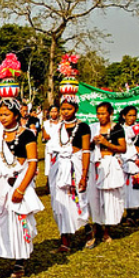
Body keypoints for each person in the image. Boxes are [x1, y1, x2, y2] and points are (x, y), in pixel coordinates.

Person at [0, 96, 42, 278]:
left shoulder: (27, 134)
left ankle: (19, 262)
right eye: (0, 114)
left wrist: (20, 190)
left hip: (18, 183)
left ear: (16, 114)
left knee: (19, 223)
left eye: (6, 114)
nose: (2, 117)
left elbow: (33, 164)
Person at [50, 63, 91, 253]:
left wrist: (84, 175)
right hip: (59, 169)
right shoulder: (56, 127)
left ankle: (88, 231)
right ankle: (64, 241)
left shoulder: (83, 127)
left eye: (68, 109)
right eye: (62, 109)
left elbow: (85, 151)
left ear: (75, 108)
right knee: (60, 205)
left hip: (75, 168)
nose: (65, 112)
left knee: (78, 202)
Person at [87, 102, 126, 246]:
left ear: (110, 113)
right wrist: (92, 142)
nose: (100, 116)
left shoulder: (117, 128)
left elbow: (122, 148)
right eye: (98, 113)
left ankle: (107, 230)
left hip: (109, 163)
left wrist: (106, 142)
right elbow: (86, 147)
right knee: (94, 197)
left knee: (109, 198)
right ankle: (97, 226)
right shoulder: (93, 128)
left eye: (103, 113)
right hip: (95, 165)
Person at [118, 106, 139, 226]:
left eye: (134, 115)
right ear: (124, 116)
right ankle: (128, 215)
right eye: (129, 115)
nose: (132, 118)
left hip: (137, 162)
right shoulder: (119, 129)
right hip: (123, 162)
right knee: (125, 189)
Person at [41, 105, 61, 185]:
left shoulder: (61, 123)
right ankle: (48, 183)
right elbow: (46, 136)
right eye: (52, 111)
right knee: (48, 166)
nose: (54, 113)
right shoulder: (46, 123)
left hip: (59, 148)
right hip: (50, 148)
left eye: (55, 111)